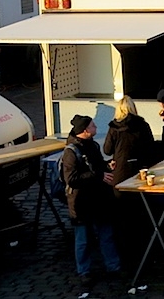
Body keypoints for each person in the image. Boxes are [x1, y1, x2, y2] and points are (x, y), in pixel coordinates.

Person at [62, 115, 121, 289]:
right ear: (85, 131)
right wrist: (99, 175)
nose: (96, 127)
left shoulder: (92, 145)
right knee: (83, 240)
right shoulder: (71, 152)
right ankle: (84, 271)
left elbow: (96, 167)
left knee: (106, 235)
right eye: (93, 126)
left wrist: (106, 167)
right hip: (81, 202)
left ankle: (113, 266)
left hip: (98, 200)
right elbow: (72, 179)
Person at [104, 95, 156, 188]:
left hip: (120, 169)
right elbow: (150, 147)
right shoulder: (142, 125)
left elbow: (107, 150)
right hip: (140, 168)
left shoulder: (114, 128)